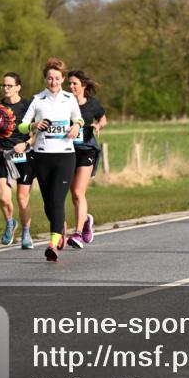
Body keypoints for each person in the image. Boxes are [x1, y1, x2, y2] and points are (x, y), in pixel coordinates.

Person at [19, 58, 83, 261]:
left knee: (57, 199)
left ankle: (52, 244)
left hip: (65, 156)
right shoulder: (37, 100)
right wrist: (34, 126)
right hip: (42, 156)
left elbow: (79, 118)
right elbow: (22, 125)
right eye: (49, 78)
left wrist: (76, 126)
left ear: (62, 79)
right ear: (45, 79)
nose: (53, 82)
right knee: (48, 203)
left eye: (57, 78)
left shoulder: (69, 98)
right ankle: (60, 229)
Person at [0, 73, 34, 249]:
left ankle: (26, 233)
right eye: (3, 85)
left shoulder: (28, 106)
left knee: (22, 199)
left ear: (18, 87)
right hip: (3, 155)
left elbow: (38, 132)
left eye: (9, 85)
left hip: (24, 156)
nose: (6, 88)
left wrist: (26, 143)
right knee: (3, 198)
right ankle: (10, 223)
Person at [65, 70, 107, 248]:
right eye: (69, 83)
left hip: (87, 150)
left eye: (74, 83)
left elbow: (103, 119)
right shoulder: (65, 102)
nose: (71, 86)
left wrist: (98, 125)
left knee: (78, 192)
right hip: (67, 150)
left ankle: (78, 233)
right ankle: (86, 220)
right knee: (72, 193)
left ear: (83, 85)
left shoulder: (92, 104)